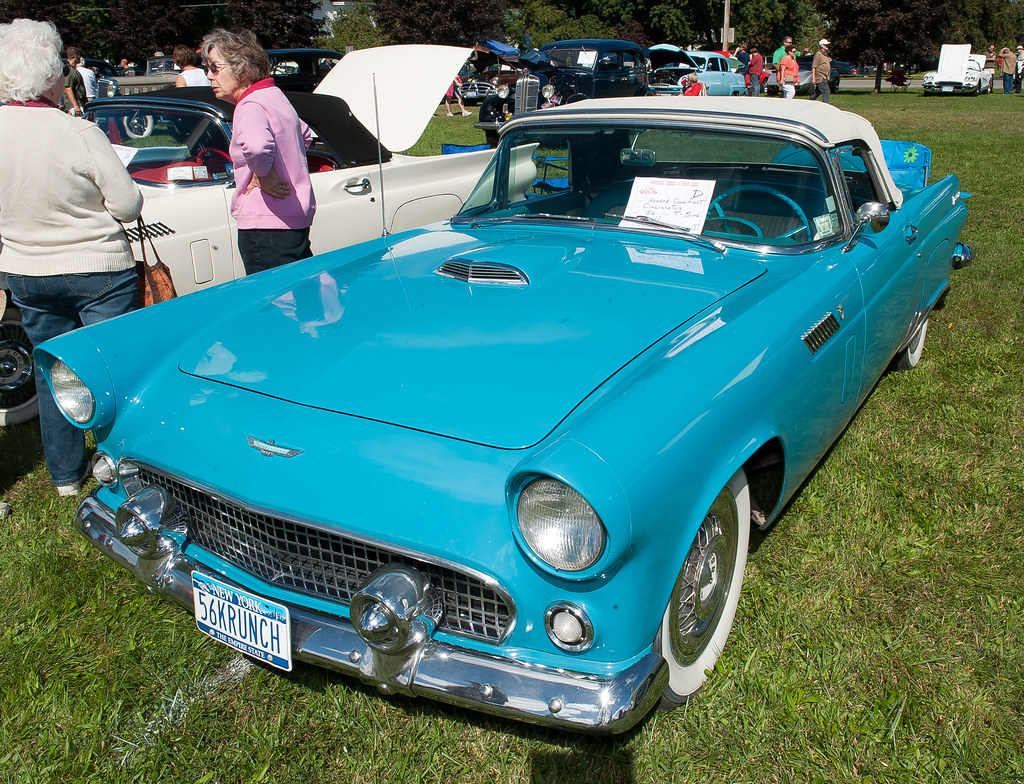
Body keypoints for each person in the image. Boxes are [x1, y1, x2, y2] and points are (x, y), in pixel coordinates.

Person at [0, 18, 143, 497]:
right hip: (96, 266)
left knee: (49, 369)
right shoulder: (78, 132)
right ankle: (120, 464)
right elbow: (126, 205)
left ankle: (64, 474)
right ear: (49, 77)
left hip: (26, 268)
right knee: (110, 368)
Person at [201, 28, 315, 276]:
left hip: (265, 223)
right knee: (301, 299)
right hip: (293, 217)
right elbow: (305, 135)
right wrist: (283, 164)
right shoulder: (274, 95)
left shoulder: (249, 104)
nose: (209, 76)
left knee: (275, 306)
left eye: (215, 68)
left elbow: (256, 146)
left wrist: (262, 173)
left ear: (241, 69)